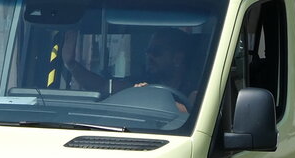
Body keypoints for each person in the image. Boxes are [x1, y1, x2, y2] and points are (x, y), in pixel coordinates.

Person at [61, 28, 195, 108]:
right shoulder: (141, 82)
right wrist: (71, 63)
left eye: (156, 51)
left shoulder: (195, 91)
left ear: (177, 58)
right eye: (148, 50)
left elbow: (191, 116)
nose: (149, 55)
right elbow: (102, 86)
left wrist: (152, 96)